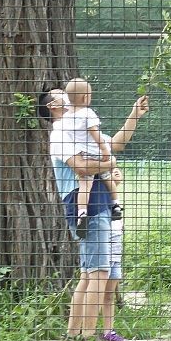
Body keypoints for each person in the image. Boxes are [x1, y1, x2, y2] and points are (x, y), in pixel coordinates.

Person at [47, 87, 148, 341]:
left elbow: (115, 144)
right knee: (99, 273)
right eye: (61, 96)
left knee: (88, 273)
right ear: (52, 107)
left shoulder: (81, 131)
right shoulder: (60, 134)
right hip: (86, 205)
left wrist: (134, 116)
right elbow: (81, 167)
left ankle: (73, 335)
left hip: (98, 202)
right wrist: (109, 164)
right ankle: (90, 337)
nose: (68, 99)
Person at [60, 78, 122, 238]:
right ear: (85, 97)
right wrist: (105, 150)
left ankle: (81, 213)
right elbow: (96, 135)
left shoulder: (66, 118)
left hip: (83, 155)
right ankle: (116, 204)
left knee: (84, 186)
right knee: (108, 178)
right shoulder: (87, 113)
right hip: (98, 153)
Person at [98, 166, 129, 341]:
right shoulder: (92, 177)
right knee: (97, 286)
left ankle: (108, 331)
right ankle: (88, 330)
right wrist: (112, 182)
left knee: (110, 290)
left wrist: (114, 183)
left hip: (116, 237)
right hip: (103, 235)